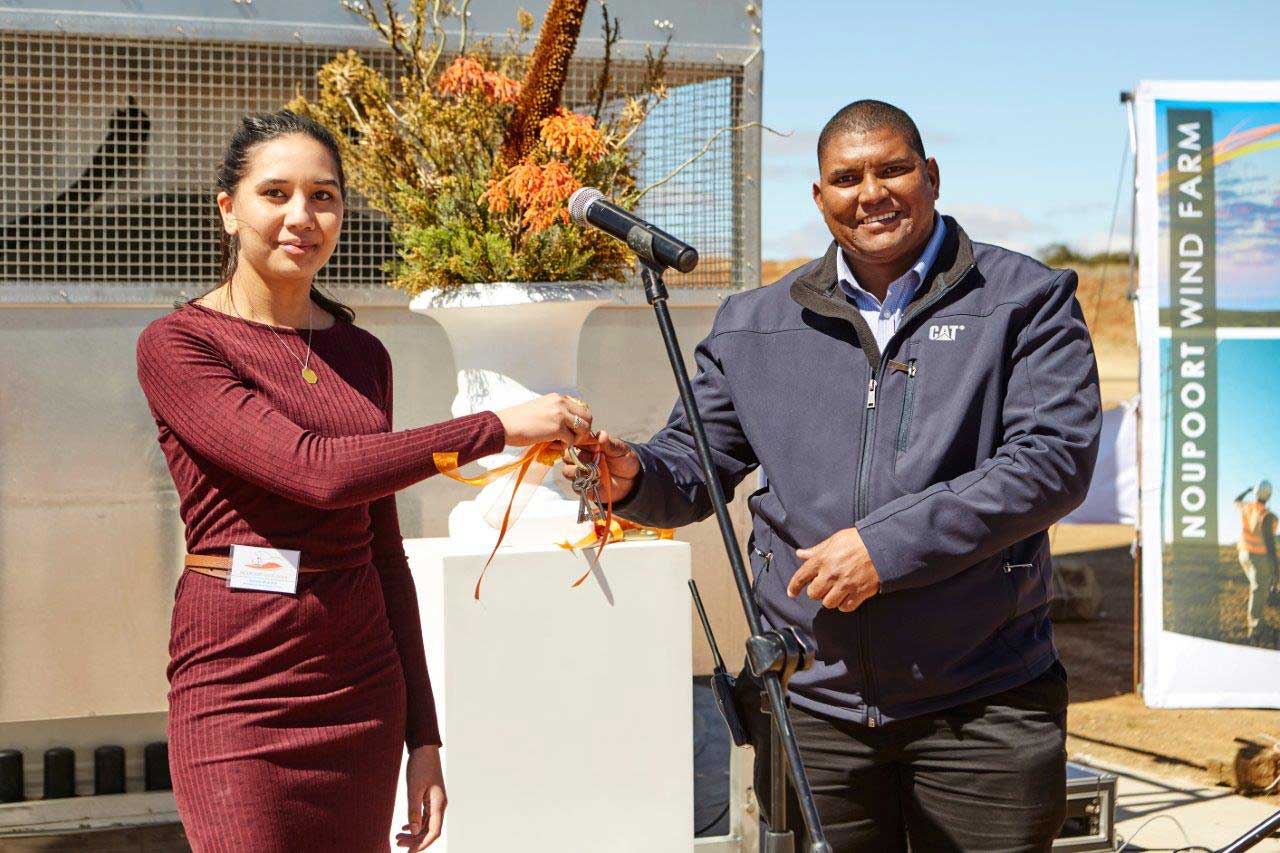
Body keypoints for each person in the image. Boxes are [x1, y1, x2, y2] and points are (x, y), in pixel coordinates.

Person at [566, 100, 1101, 850]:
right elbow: (692, 470)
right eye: (846, 178)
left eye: (892, 169)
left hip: (983, 704)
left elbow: (1052, 462)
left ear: (932, 175)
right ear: (819, 198)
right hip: (810, 709)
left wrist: (886, 547)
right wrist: (630, 475)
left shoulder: (1024, 301)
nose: (870, 192)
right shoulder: (753, 324)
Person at [136, 110, 592, 852]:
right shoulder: (181, 344)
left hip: (359, 689)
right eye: (275, 193)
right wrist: (496, 425)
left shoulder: (362, 353)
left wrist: (425, 738)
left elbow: (385, 552)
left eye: (323, 196)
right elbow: (312, 471)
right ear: (228, 209)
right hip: (240, 688)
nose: (301, 216)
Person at [1233, 480, 1277, 641]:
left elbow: (1236, 500)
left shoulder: (1247, 507)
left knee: (1257, 588)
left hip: (1243, 554)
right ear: (1270, 495)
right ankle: (1255, 628)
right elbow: (1270, 545)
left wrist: (1247, 489)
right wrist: (1276, 568)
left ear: (1256, 493)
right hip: (1259, 556)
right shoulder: (1268, 516)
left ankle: (1257, 620)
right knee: (1259, 589)